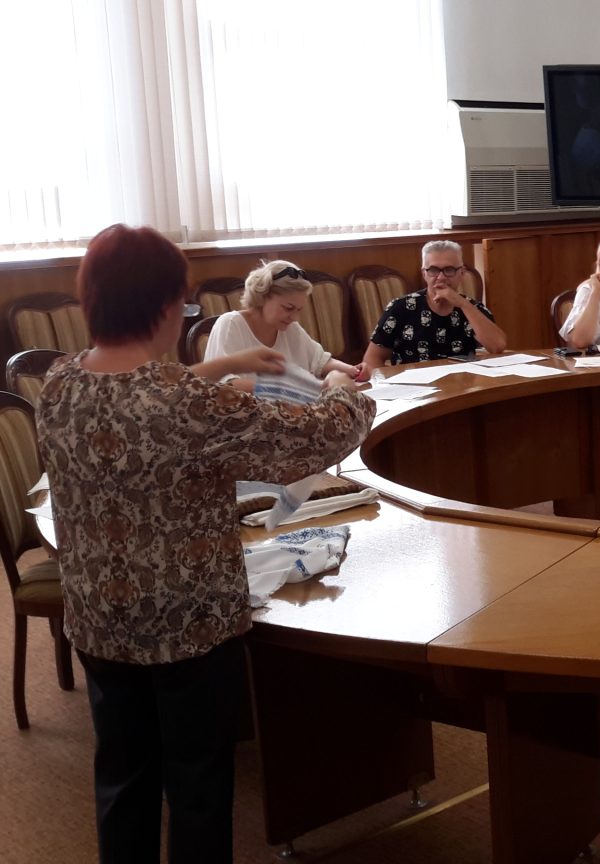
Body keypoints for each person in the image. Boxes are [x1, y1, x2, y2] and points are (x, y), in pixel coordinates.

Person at [34, 224, 375, 864]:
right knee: (196, 786)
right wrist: (344, 392)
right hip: (187, 624)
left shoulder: (59, 385)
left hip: (100, 616)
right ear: (166, 307)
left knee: (123, 777)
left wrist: (219, 365)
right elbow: (312, 441)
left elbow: (137, 392)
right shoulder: (185, 404)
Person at [204, 260, 362, 389]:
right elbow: (225, 385)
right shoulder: (231, 325)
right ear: (263, 297)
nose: (294, 317)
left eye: (299, 310)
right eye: (288, 308)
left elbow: (320, 362)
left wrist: (353, 370)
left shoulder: (289, 328)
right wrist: (289, 390)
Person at [364, 240, 507, 370]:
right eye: (433, 270)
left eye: (449, 270)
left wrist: (462, 304)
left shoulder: (472, 308)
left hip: (462, 383)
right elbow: (372, 358)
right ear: (424, 274)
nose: (441, 277)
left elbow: (497, 346)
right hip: (415, 384)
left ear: (462, 273)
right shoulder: (400, 307)